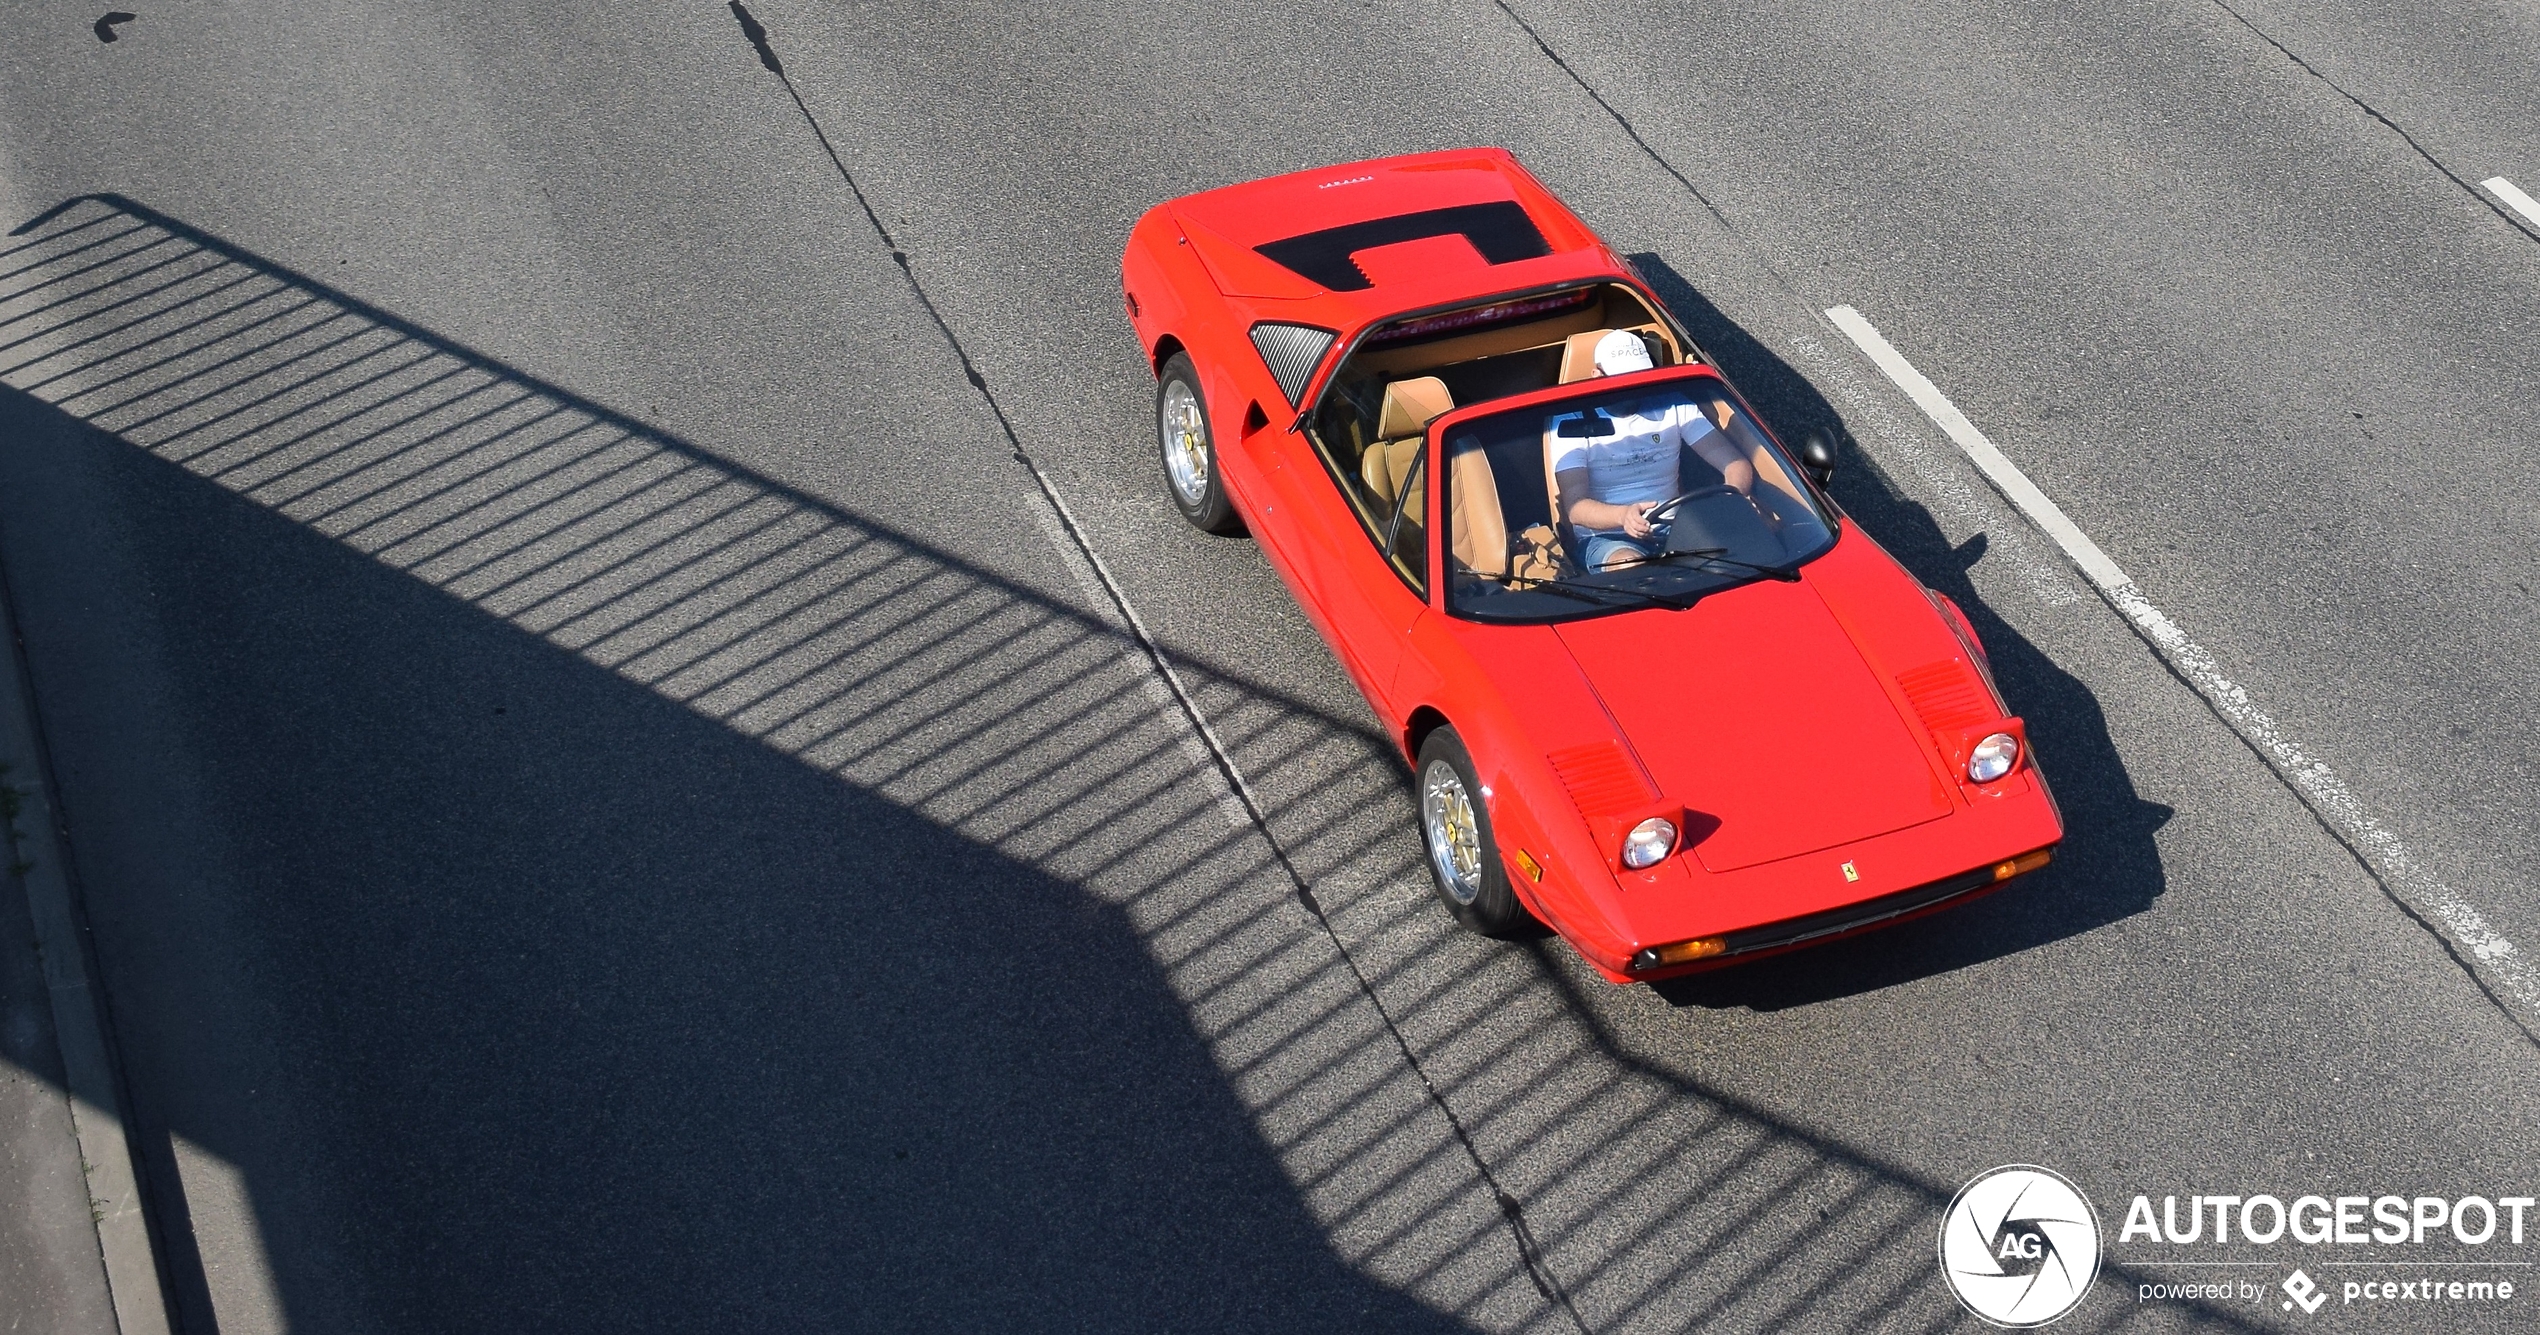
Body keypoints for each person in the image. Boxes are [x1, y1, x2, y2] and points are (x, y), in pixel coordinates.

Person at [1549, 330, 1754, 570]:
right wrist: (1623, 516)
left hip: (1680, 527)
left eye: (1640, 377)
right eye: (1623, 380)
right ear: (1597, 376)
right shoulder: (1571, 421)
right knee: (1633, 568)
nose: (1633, 387)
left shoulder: (1673, 404)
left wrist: (1731, 500)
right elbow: (1575, 507)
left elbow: (1734, 462)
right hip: (1606, 538)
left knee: (1738, 559)